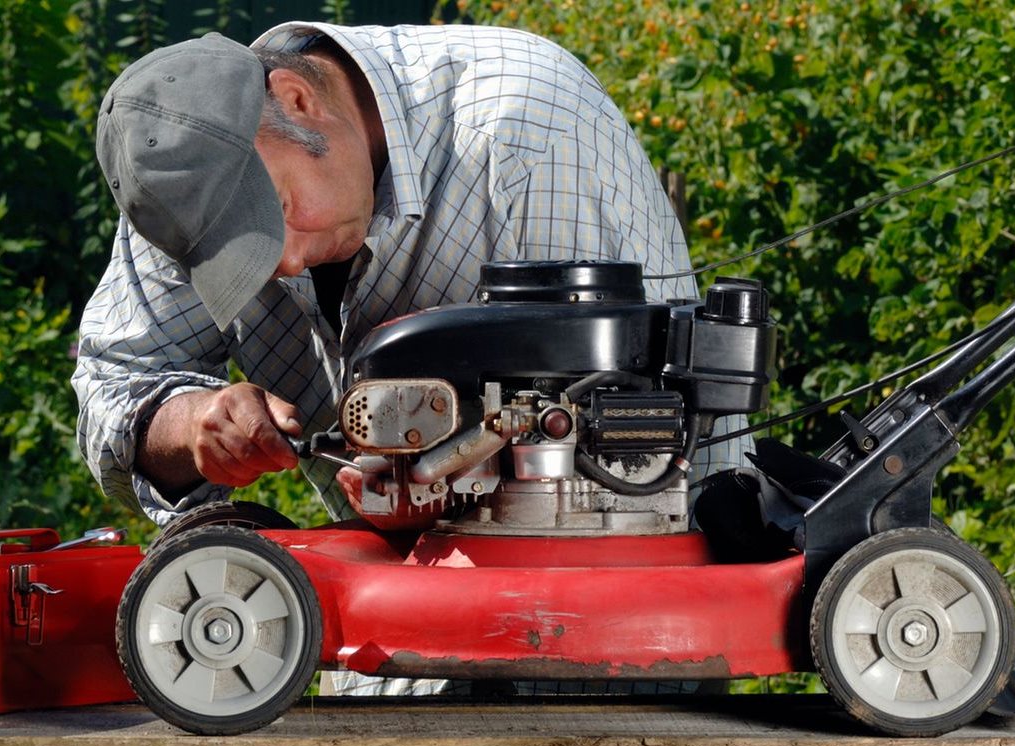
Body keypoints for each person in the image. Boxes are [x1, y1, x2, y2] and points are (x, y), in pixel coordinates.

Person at [73, 21, 746, 528]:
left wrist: (439, 473)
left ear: (298, 101)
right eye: (233, 255)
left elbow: (632, 457)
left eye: (276, 212)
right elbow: (117, 384)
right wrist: (190, 422)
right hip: (393, 614)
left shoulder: (524, 137)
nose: (284, 264)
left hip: (615, 599)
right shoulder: (182, 183)